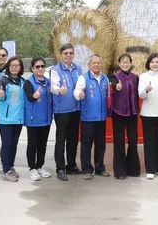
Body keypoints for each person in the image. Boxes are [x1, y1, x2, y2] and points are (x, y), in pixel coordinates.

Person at [74, 54, 110, 180]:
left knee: (100, 144)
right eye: (94, 63)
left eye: (98, 63)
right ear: (89, 65)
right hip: (88, 117)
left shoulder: (105, 78)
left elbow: (108, 95)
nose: (96, 65)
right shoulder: (83, 78)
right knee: (86, 144)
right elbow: (76, 92)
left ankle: (100, 167)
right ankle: (87, 169)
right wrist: (79, 94)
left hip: (101, 117)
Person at [50, 43, 83, 181]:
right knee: (61, 139)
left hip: (76, 109)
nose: (68, 55)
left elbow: (81, 84)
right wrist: (59, 90)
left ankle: (71, 165)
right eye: (66, 53)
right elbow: (53, 86)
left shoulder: (77, 68)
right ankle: (60, 168)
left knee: (73, 139)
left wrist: (82, 92)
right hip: (61, 110)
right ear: (61, 55)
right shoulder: (56, 70)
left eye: (71, 53)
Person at [0, 56, 25, 182]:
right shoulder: (3, 81)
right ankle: (6, 170)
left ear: (20, 67)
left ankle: (11, 166)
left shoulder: (23, 81)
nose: (14, 67)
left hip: (18, 119)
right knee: (6, 144)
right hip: (6, 119)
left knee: (13, 144)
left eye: (17, 65)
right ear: (8, 67)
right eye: (12, 65)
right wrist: (0, 95)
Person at [110, 54, 140, 179]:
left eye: (127, 62)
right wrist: (115, 87)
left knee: (133, 141)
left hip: (132, 113)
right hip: (119, 113)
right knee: (119, 142)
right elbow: (111, 90)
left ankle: (133, 169)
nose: (125, 64)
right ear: (119, 63)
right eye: (123, 62)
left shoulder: (135, 77)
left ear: (130, 63)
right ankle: (120, 171)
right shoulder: (114, 77)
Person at [23, 56, 53, 181]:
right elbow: (30, 97)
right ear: (32, 68)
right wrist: (34, 96)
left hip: (46, 119)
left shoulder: (48, 81)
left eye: (42, 66)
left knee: (43, 144)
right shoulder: (28, 82)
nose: (40, 68)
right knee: (32, 144)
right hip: (33, 119)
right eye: (37, 67)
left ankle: (40, 166)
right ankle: (32, 168)